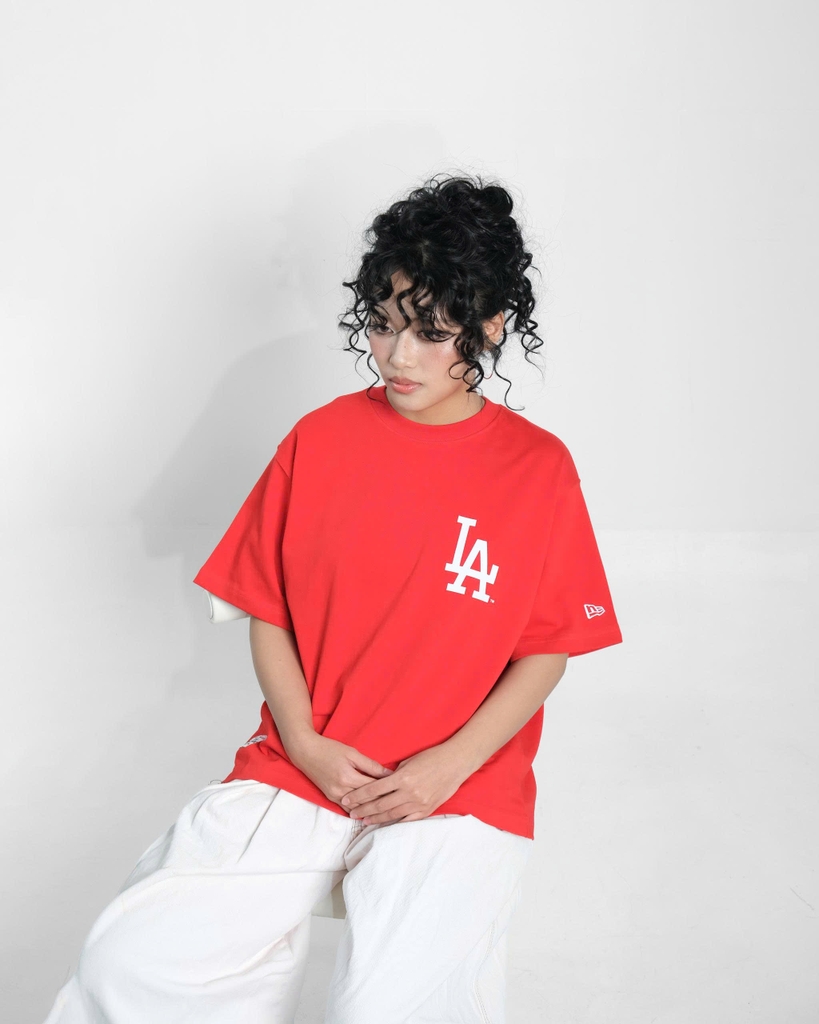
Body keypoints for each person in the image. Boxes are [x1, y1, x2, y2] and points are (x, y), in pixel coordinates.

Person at [42, 173, 623, 1023]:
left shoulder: (537, 468)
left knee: (399, 1007)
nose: (398, 356)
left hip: (459, 789)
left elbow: (546, 648)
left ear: (491, 325)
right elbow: (266, 608)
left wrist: (449, 766)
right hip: (303, 765)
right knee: (133, 961)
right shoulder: (320, 440)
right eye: (383, 325)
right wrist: (307, 743)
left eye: (431, 332)